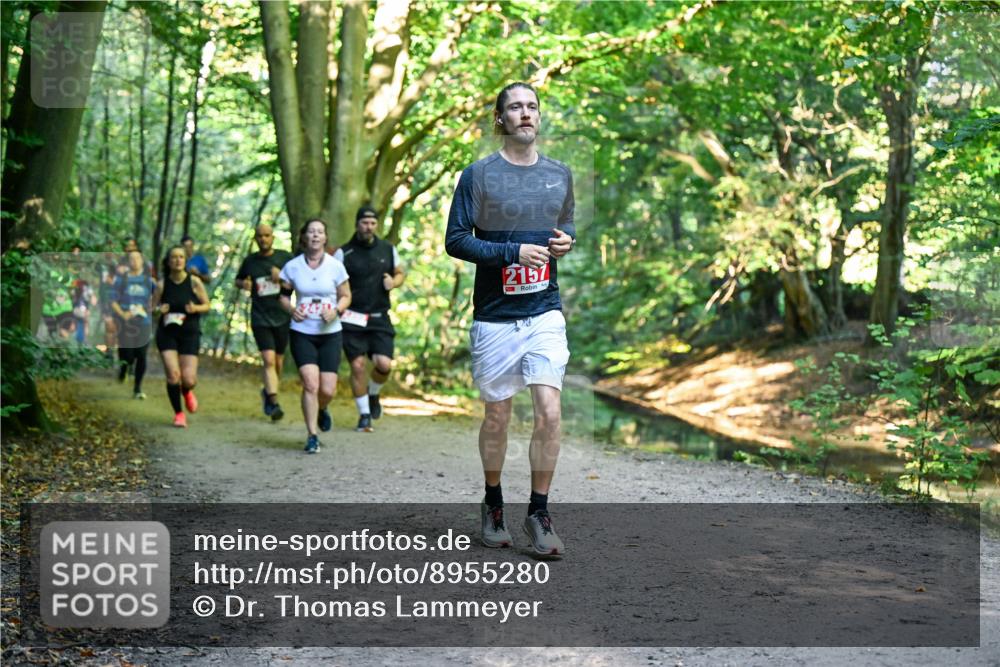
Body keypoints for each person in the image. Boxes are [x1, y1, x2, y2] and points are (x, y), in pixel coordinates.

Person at [445, 82, 576, 556]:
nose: (526, 114)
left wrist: (565, 243)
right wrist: (509, 252)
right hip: (495, 317)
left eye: (532, 107)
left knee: (550, 411)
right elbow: (456, 240)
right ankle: (493, 502)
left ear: (539, 117)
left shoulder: (559, 175)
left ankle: (539, 513)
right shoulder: (477, 176)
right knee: (497, 416)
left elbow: (568, 227)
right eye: (516, 107)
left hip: (543, 310)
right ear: (499, 118)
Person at [278, 219, 351, 454]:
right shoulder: (292, 267)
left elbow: (346, 295)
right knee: (311, 383)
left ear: (325, 237)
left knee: (327, 389)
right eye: (311, 232)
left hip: (330, 333)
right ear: (304, 237)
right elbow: (282, 296)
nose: (316, 235)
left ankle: (322, 408)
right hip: (302, 332)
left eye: (320, 232)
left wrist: (337, 310)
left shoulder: (335, 266)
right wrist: (292, 309)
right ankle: (312, 435)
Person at [333, 206, 405, 432]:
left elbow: (400, 273)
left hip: (379, 318)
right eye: (365, 223)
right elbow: (333, 283)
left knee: (384, 365)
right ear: (357, 224)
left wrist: (393, 282)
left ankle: (373, 394)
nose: (369, 227)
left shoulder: (388, 249)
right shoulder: (343, 253)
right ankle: (364, 414)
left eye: (373, 223)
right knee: (357, 366)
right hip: (352, 318)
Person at [235, 223, 294, 421]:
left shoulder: (285, 258)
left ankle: (267, 392)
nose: (263, 239)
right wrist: (244, 283)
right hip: (260, 317)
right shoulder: (250, 261)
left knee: (277, 362)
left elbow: (298, 281)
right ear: (255, 239)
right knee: (268, 360)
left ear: (273, 237)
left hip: (282, 316)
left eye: (267, 236)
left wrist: (282, 277)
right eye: (260, 236)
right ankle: (274, 402)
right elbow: (238, 280)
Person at [153, 245, 210, 427]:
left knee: (188, 379)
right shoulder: (162, 284)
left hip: (189, 332)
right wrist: (158, 310)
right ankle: (179, 414)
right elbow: (151, 308)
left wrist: (195, 308)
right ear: (168, 262)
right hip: (167, 333)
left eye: (181, 257)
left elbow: (207, 305)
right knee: (173, 375)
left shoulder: (194, 282)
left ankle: (186, 391)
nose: (177, 260)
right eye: (174, 257)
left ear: (185, 261)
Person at [111, 249, 155, 399]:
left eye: (137, 258)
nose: (135, 261)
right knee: (128, 354)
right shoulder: (121, 280)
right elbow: (112, 301)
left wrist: (149, 307)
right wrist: (122, 314)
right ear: (128, 262)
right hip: (126, 322)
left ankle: (137, 388)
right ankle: (124, 367)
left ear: (142, 261)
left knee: (141, 354)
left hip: (144, 322)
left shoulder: (148, 281)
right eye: (132, 259)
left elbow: (157, 298)